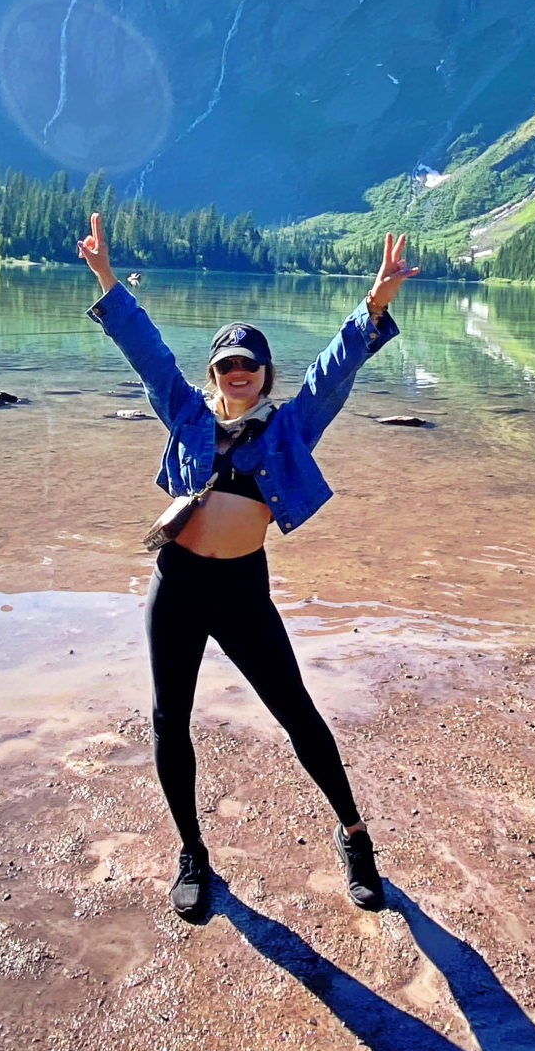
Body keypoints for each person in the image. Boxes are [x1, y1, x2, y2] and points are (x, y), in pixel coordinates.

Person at [78, 213, 418, 923]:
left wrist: (374, 304)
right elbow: (147, 351)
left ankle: (355, 837)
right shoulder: (183, 412)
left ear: (265, 373)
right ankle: (193, 853)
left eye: (248, 364)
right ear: (212, 374)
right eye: (225, 364)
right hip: (178, 585)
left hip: (240, 590)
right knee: (171, 719)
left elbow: (334, 370)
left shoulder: (290, 427)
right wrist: (108, 280)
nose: (236, 373)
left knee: (297, 713)